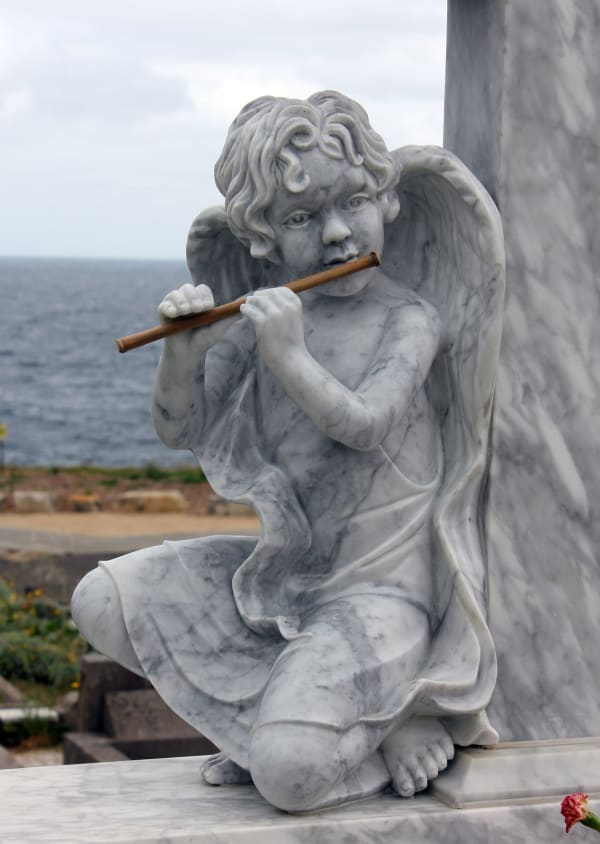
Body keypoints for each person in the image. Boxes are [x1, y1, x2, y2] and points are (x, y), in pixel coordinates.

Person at [72, 91, 500, 812]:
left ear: (388, 201)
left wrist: (290, 354)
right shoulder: (269, 313)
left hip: (380, 601)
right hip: (280, 591)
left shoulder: (408, 318)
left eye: (355, 202)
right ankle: (304, 712)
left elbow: (365, 423)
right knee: (104, 600)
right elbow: (181, 426)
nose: (337, 234)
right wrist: (181, 351)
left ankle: (389, 719)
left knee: (291, 776)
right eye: (302, 218)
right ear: (264, 240)